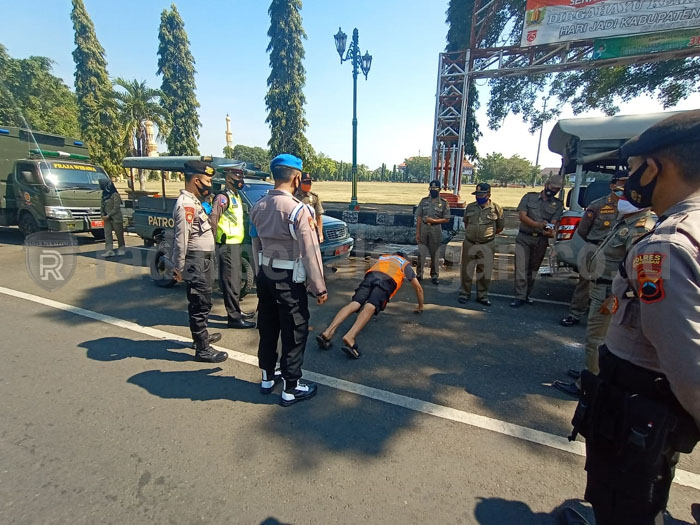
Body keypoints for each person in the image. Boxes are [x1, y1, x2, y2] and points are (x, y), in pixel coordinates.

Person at [568, 111, 700, 525]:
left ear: (656, 167)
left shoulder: (667, 246)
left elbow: (687, 359)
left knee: (625, 503)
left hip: (640, 404)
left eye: (633, 170)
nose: (630, 181)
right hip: (656, 408)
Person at [553, 195, 655, 397]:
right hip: (602, 286)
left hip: (611, 292)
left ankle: (590, 385)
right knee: (598, 338)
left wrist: (618, 295)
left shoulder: (640, 228)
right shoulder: (626, 222)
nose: (620, 200)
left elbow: (635, 271)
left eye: (625, 197)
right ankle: (591, 373)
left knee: (596, 339)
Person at [250, 154, 327, 406]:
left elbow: (255, 244)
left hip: (265, 274)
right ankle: (291, 388)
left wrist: (260, 272)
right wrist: (319, 287)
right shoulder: (298, 209)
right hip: (288, 278)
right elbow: (310, 252)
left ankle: (266, 377)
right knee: (294, 330)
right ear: (295, 177)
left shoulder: (258, 206)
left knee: (268, 325)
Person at [316, 252, 423, 359]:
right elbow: (418, 288)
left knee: (354, 303)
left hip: (371, 275)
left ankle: (328, 332)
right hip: (387, 280)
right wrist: (420, 306)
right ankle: (350, 337)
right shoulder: (404, 264)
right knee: (370, 306)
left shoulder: (384, 258)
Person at [171, 160, 227, 364]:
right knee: (200, 303)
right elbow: (181, 238)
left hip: (202, 260)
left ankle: (199, 337)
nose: (209, 183)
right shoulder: (186, 204)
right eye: (207, 180)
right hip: (195, 260)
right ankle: (202, 349)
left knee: (204, 300)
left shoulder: (193, 201)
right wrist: (178, 267)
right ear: (196, 180)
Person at [560, 174, 626, 327]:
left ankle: (611, 319)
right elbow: (583, 230)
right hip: (595, 249)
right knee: (585, 283)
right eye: (621, 183)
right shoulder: (597, 205)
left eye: (626, 184)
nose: (623, 187)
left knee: (616, 285)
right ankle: (575, 314)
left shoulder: (631, 207)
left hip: (619, 253)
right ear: (612, 186)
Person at [209, 169, 256, 330]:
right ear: (228, 179)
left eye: (242, 176)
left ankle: (237, 311)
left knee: (235, 280)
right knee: (230, 281)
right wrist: (212, 240)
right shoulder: (223, 197)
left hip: (235, 244)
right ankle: (234, 318)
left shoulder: (236, 195)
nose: (240, 180)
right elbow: (213, 218)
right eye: (237, 177)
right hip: (226, 245)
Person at [510, 175, 564, 307]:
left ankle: (527, 294)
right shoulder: (529, 197)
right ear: (546, 184)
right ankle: (520, 296)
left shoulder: (557, 204)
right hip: (524, 237)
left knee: (533, 269)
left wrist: (549, 230)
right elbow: (522, 216)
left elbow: (554, 222)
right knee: (521, 268)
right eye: (552, 188)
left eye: (557, 189)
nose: (554, 191)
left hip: (541, 240)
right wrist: (537, 225)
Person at [458, 183, 504, 306]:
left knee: (484, 271)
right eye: (477, 194)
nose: (478, 197)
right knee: (467, 270)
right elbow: (466, 224)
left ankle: (482, 296)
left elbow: (500, 228)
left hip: (487, 244)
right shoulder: (470, 207)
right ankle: (464, 293)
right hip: (470, 243)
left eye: (481, 194)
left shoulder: (496, 209)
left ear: (488, 194)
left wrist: (485, 236)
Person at [416, 180, 451, 284]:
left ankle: (434, 275)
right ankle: (419, 274)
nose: (433, 191)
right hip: (423, 228)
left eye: (435, 189)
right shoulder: (424, 201)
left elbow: (447, 218)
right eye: (431, 189)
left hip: (435, 229)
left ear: (439, 189)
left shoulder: (444, 203)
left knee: (435, 253)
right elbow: (419, 217)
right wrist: (417, 232)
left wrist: (434, 221)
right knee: (421, 252)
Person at [294, 172, 324, 243]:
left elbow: (319, 217)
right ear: (300, 182)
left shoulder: (314, 197)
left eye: (309, 183)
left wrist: (320, 233)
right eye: (305, 182)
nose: (308, 185)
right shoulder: (293, 196)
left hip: (310, 230)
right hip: (295, 230)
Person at [99, 178, 125, 257]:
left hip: (115, 218)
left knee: (119, 234)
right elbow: (102, 205)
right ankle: (109, 250)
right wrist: (102, 215)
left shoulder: (115, 195)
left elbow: (116, 207)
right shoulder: (104, 195)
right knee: (108, 234)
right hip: (107, 218)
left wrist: (109, 215)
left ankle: (121, 248)